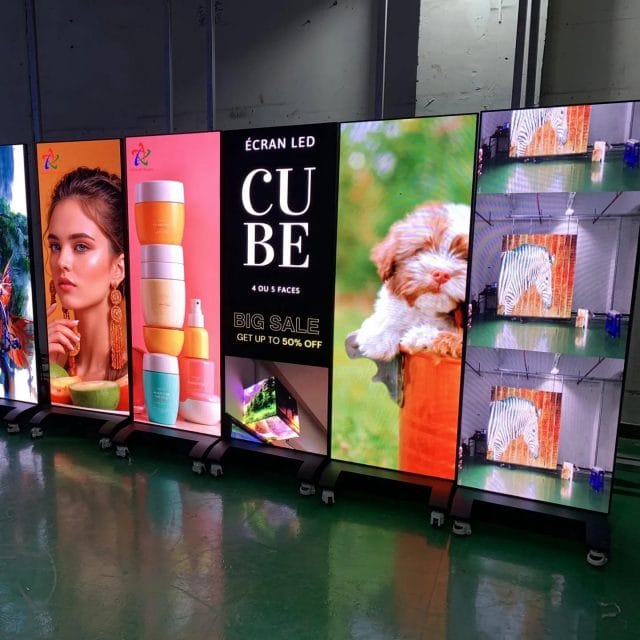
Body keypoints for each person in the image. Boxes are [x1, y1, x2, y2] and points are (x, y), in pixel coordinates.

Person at [46, 167, 127, 383]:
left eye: (81, 247)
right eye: (55, 246)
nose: (61, 261)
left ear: (118, 269)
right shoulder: (48, 363)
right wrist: (41, 368)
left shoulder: (140, 378)